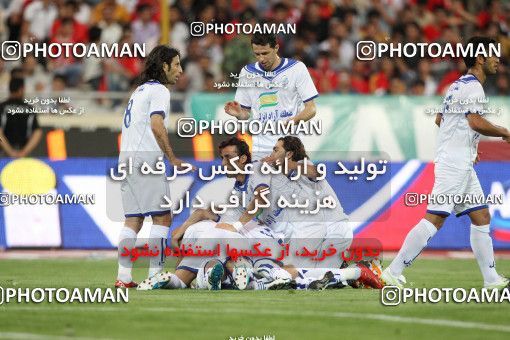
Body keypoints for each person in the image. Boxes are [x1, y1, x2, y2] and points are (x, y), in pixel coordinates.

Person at [381, 37, 510, 290]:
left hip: (459, 160)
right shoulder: (474, 88)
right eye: (494, 55)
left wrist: (469, 146)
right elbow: (475, 121)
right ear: (480, 58)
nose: (498, 60)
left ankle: (491, 279)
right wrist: (504, 131)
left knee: (482, 216)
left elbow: (441, 119)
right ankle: (393, 271)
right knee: (435, 219)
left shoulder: (456, 86)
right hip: (454, 164)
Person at [115, 45, 191, 288]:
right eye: (176, 64)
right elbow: (156, 125)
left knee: (133, 220)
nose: (181, 70)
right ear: (164, 66)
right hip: (146, 160)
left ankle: (124, 277)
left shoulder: (140, 90)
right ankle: (156, 277)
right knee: (162, 219)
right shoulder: (159, 91)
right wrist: (172, 158)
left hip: (126, 159)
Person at [224, 32, 318, 160]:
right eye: (257, 54)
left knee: (313, 178)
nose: (261, 59)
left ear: (276, 48)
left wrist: (292, 122)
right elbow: (245, 114)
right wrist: (239, 114)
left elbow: (311, 108)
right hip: (261, 150)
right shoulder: (247, 72)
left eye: (265, 53)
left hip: (290, 149)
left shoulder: (296, 69)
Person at [0, 77, 42, 158]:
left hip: (3, 155)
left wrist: (10, 152)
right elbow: (37, 132)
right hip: (23, 154)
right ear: (21, 89)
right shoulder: (29, 108)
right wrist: (24, 152)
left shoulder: (2, 107)